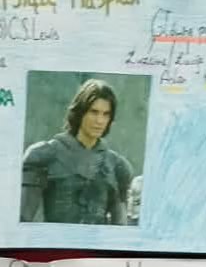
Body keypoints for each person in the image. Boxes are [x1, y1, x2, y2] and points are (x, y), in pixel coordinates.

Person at [20, 78, 135, 225]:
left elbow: (120, 228)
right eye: (94, 112)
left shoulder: (117, 167)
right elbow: (23, 220)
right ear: (80, 112)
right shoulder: (44, 155)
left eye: (106, 114)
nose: (100, 121)